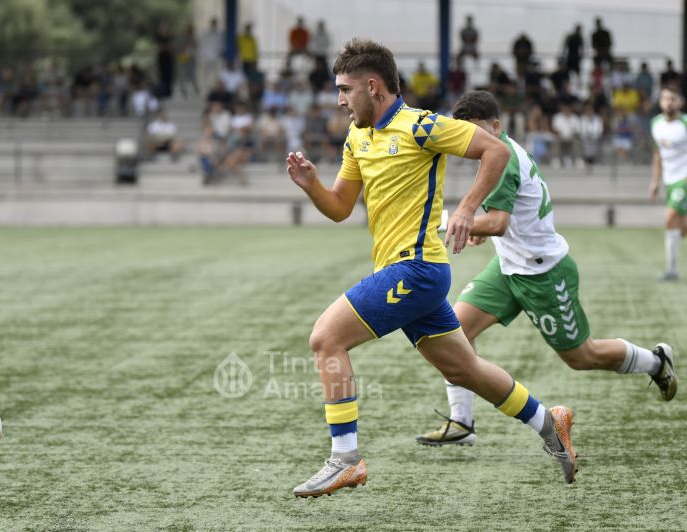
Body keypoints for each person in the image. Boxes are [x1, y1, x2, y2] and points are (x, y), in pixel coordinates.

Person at [287, 39, 579, 498]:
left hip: (417, 269)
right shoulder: (357, 136)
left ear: (373, 85)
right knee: (466, 369)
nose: (340, 100)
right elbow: (341, 207)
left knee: (325, 337)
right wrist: (311, 186)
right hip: (407, 275)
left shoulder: (421, 126)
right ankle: (550, 421)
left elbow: (496, 152)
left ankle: (345, 459)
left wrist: (465, 209)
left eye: (345, 89)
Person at [415, 91, 676, 447]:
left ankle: (656, 362)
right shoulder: (496, 152)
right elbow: (500, 222)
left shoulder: (502, 160)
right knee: (455, 334)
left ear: (496, 126)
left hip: (544, 274)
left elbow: (499, 223)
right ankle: (462, 423)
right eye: (464, 134)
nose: (471, 141)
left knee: (582, 356)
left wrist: (447, 223)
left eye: (476, 131)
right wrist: (480, 229)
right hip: (508, 269)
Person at [650, 87, 687, 281]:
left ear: (679, 102)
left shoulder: (685, 123)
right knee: (680, 226)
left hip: (684, 179)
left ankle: (671, 271)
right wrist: (655, 181)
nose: (668, 102)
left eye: (672, 98)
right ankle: (672, 268)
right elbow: (658, 155)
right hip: (669, 180)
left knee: (669, 218)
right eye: (665, 98)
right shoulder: (655, 124)